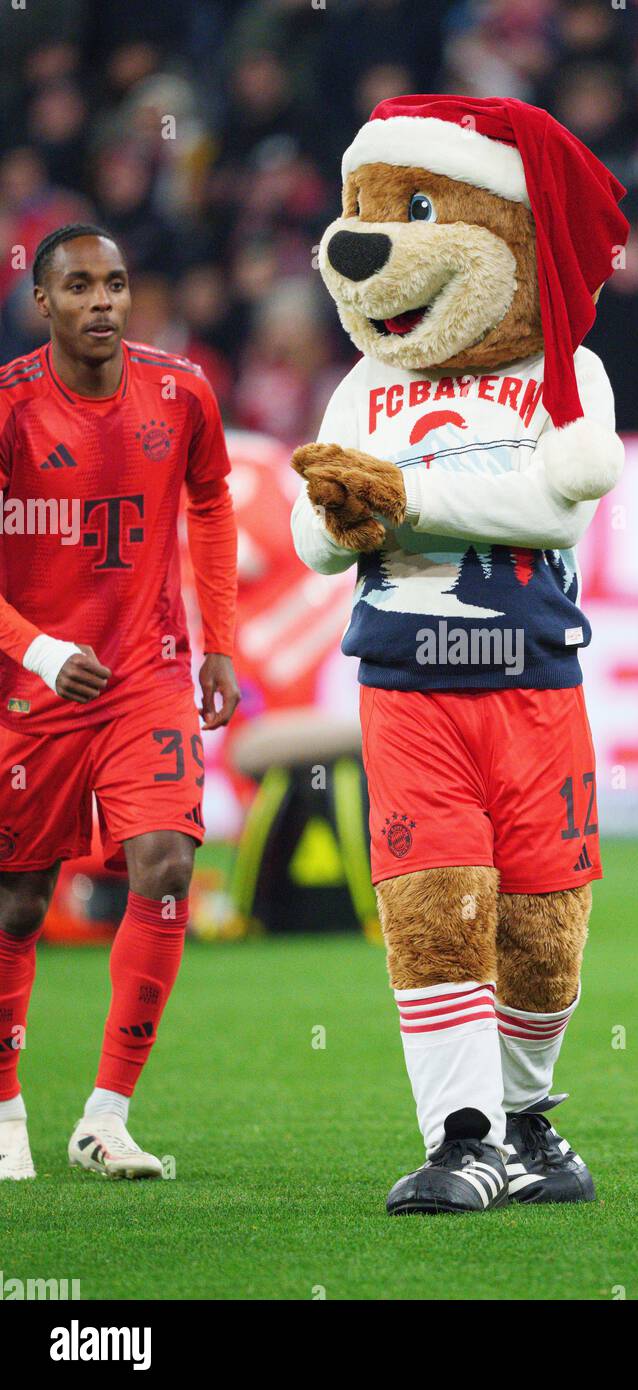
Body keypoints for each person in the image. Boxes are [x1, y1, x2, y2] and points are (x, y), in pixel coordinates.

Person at [0, 224, 239, 1180]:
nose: (103, 301)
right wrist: (38, 650)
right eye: (80, 287)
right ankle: (6, 1108)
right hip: (32, 690)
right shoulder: (11, 409)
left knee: (166, 864)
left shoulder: (180, 392)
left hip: (146, 674)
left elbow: (213, 502)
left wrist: (219, 642)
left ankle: (106, 1115)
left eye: (116, 284)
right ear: (43, 303)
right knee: (18, 900)